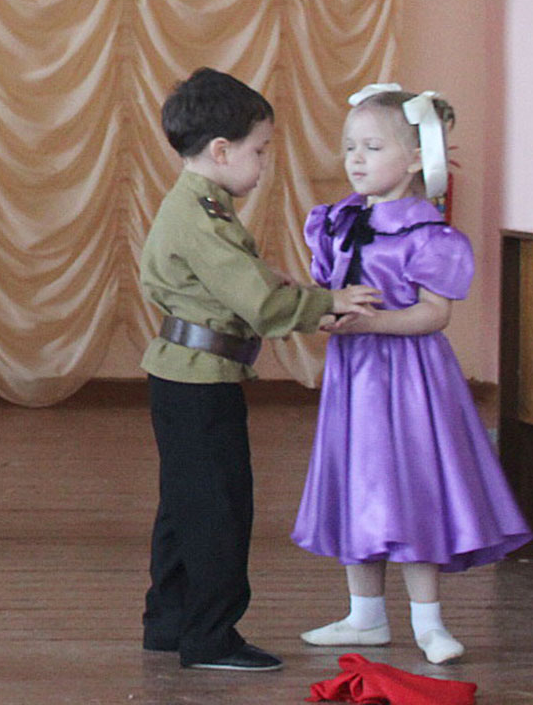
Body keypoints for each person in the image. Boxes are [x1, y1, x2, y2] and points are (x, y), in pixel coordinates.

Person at [137, 68, 381, 673]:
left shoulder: (202, 207)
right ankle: (211, 638)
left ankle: (171, 622)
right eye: (260, 151)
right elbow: (262, 304)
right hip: (199, 382)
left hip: (188, 375)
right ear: (221, 151)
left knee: (186, 508)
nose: (264, 164)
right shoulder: (201, 217)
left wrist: (289, 290)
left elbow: (244, 280)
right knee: (218, 511)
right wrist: (328, 302)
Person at [293, 85, 532, 665]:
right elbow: (328, 291)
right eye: (351, 146)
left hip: (409, 381)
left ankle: (429, 622)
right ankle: (365, 616)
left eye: (372, 147)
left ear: (415, 159)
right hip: (355, 380)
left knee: (412, 489)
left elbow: (434, 313)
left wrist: (371, 323)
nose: (355, 158)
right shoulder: (336, 223)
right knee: (357, 483)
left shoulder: (428, 234)